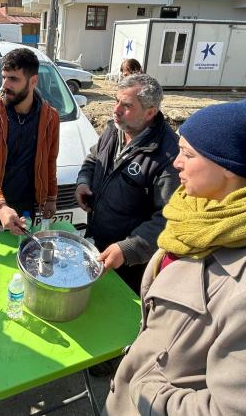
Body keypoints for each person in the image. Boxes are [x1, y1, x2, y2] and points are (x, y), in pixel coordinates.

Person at [103, 96, 246, 415]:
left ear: (229, 168)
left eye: (187, 154)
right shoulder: (203, 214)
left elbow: (233, 411)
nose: (176, 162)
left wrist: (145, 386)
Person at [76, 74, 180, 294]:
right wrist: (83, 181)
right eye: (116, 101)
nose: (116, 110)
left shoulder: (169, 156)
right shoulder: (115, 129)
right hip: (96, 243)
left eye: (126, 105)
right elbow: (94, 158)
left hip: (131, 266)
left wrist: (128, 249)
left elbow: (169, 217)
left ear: (150, 112)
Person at [0, 47, 60, 237]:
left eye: (14, 79)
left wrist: (50, 197)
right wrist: (0, 205)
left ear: (33, 81)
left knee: (20, 255)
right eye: (4, 77)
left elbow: (50, 159)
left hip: (24, 203)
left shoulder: (50, 117)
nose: (5, 85)